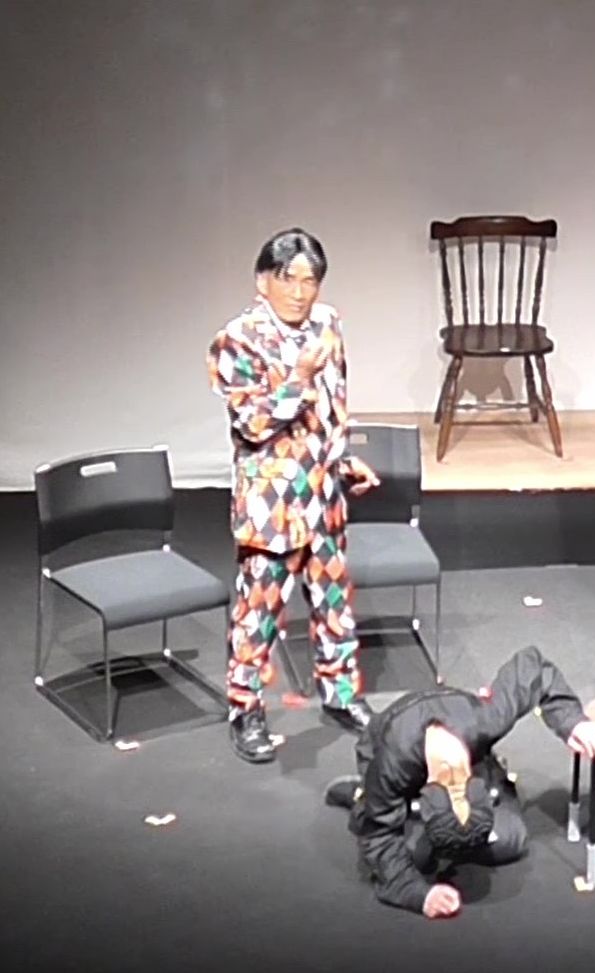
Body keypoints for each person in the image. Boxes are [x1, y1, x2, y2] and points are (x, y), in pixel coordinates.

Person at [207, 228, 379, 763]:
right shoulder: (237, 340)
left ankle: (341, 693)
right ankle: (245, 709)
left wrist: (341, 458)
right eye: (289, 279)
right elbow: (252, 423)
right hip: (272, 500)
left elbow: (333, 405)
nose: (301, 292)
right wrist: (299, 376)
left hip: (323, 493)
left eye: (310, 280)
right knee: (259, 609)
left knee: (333, 604)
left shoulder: (327, 324)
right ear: (263, 280)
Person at [323, 646, 595, 918]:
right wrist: (418, 894)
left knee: (513, 839)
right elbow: (380, 838)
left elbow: (532, 668)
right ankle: (367, 800)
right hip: (393, 765)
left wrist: (572, 720)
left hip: (463, 738)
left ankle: (447, 833)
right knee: (415, 858)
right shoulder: (389, 765)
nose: (454, 779)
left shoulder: (485, 720)